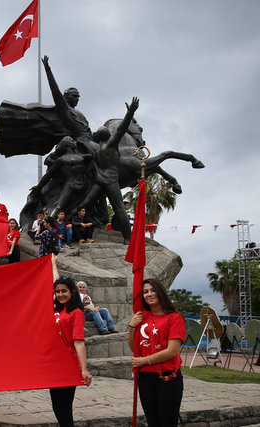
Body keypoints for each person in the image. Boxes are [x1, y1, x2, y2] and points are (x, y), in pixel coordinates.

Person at [80, 97, 139, 245]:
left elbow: (121, 129)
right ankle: (79, 230)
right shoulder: (98, 147)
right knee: (84, 205)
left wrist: (130, 113)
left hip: (111, 181)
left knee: (119, 208)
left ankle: (128, 238)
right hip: (100, 182)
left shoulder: (111, 144)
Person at [128, 278, 185, 427]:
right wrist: (132, 327)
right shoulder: (142, 316)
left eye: (153, 290)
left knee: (167, 422)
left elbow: (172, 351)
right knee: (152, 422)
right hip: (146, 378)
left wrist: (144, 360)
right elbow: (135, 348)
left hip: (168, 378)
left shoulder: (174, 318)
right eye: (145, 292)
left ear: (160, 292)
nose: (149, 294)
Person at [51, 275, 92, 427]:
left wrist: (84, 370)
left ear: (72, 292)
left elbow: (79, 342)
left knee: (64, 410)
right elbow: (54, 278)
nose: (60, 294)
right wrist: (53, 263)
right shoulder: (56, 310)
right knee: (56, 408)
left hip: (68, 365)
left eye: (64, 291)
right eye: (57, 291)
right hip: (54, 365)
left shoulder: (76, 313)